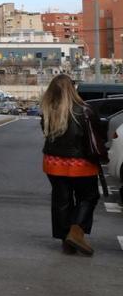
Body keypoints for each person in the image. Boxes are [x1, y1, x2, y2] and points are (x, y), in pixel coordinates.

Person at [40, 75, 102, 256]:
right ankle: (76, 232)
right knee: (88, 197)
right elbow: (94, 137)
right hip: (81, 163)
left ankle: (66, 241)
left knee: (61, 200)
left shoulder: (48, 110)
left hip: (53, 163)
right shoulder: (84, 110)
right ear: (72, 89)